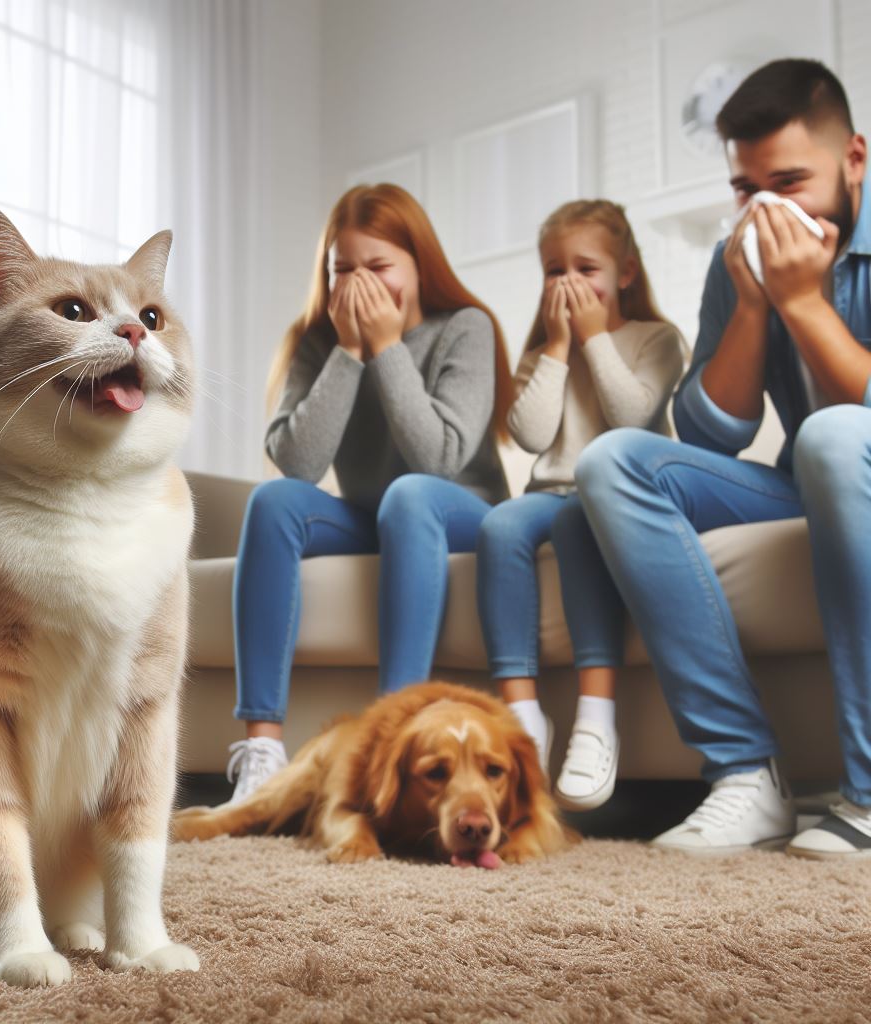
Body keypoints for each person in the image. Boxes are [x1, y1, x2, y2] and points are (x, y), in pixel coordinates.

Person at [575, 58, 871, 857]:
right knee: (616, 462)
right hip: (817, 481)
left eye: (790, 181)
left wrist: (805, 303)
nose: (766, 208)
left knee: (834, 435)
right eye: (747, 189)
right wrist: (750, 304)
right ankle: (745, 774)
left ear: (855, 160)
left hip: (849, 457)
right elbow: (709, 437)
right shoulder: (738, 259)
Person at [225, 183, 512, 803]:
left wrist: (386, 347)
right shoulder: (318, 343)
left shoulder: (466, 327)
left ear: (417, 264)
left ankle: (392, 734)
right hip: (375, 516)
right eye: (343, 271)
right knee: (272, 502)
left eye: (379, 267)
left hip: (459, 512)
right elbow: (298, 465)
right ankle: (263, 751)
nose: (361, 285)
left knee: (410, 495)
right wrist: (350, 351)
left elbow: (437, 458)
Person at [476, 200, 683, 808]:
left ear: (624, 273)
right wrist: (559, 347)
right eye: (552, 270)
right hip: (547, 491)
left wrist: (594, 338)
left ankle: (596, 719)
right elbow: (532, 436)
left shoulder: (657, 340)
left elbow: (631, 418)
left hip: (615, 497)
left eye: (585, 268)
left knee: (576, 521)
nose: (567, 283)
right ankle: (522, 719)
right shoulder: (543, 353)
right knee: (499, 524)